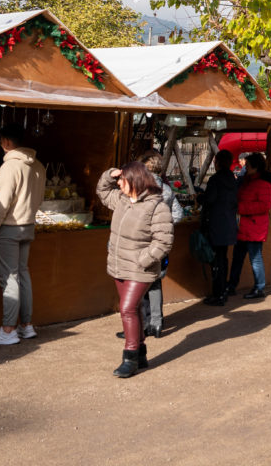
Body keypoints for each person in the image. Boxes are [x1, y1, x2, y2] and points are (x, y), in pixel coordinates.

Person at [96, 161, 174, 377]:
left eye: (123, 180)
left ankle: (129, 356)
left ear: (135, 180)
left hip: (140, 268)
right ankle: (141, 354)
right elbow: (102, 192)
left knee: (127, 308)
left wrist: (144, 259)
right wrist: (110, 174)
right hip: (119, 264)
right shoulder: (121, 200)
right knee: (135, 308)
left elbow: (163, 241)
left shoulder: (157, 206)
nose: (119, 183)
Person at [0, 123, 47, 346]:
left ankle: (8, 329)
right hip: (28, 225)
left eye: (0, 142)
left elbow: (2, 202)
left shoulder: (10, 166)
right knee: (22, 274)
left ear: (7, 143)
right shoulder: (37, 165)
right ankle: (26, 326)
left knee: (9, 278)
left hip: (8, 228)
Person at [114, 150, 183, 340]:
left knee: (139, 283)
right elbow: (178, 214)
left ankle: (142, 325)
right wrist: (163, 228)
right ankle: (157, 323)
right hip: (160, 246)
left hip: (141, 243)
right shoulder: (167, 190)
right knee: (155, 282)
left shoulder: (140, 189)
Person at [228, 152, 271, 300]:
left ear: (255, 167)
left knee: (255, 258)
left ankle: (259, 287)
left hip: (254, 227)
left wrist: (241, 208)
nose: (245, 167)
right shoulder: (246, 181)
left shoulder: (263, 184)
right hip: (244, 226)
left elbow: (264, 206)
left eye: (248, 165)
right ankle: (231, 286)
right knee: (237, 257)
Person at [199, 151, 239, 306]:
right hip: (228, 224)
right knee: (223, 259)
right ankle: (222, 292)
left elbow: (209, 200)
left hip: (216, 225)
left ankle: (218, 295)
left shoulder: (215, 180)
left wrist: (200, 197)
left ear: (217, 162)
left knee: (216, 261)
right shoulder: (232, 179)